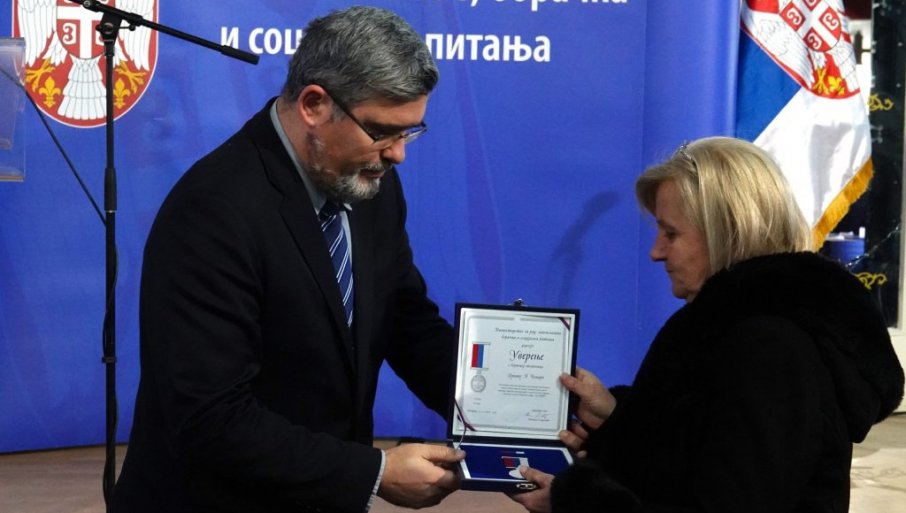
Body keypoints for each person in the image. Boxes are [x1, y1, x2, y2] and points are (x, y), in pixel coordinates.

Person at [111, 6, 465, 513]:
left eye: (409, 132)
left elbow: (406, 322)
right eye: (382, 131)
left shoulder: (369, 181)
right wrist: (374, 473)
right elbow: (211, 417)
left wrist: (513, 407)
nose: (397, 154)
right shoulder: (213, 211)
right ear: (314, 104)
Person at [511, 136, 905, 513]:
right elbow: (694, 459)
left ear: (728, 231)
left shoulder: (770, 347)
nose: (655, 252)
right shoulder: (732, 329)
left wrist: (578, 503)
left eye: (671, 233)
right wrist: (615, 418)